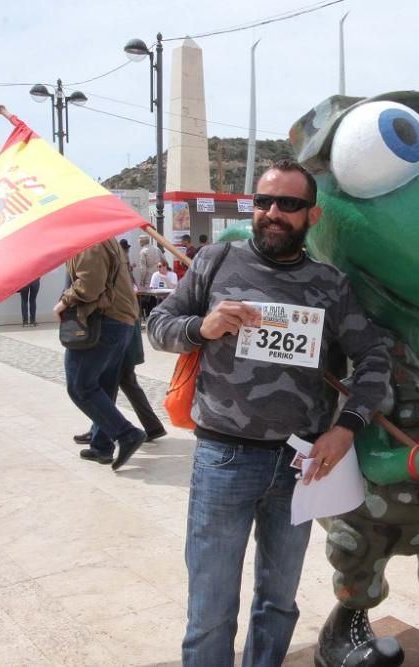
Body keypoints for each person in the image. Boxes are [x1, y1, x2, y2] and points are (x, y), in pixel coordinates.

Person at [146, 159, 392, 667]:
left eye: (289, 204)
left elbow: (374, 358)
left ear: (313, 215)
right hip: (222, 460)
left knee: (278, 604)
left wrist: (348, 429)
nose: (273, 213)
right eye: (264, 202)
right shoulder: (215, 261)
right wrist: (203, 327)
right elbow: (159, 325)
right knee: (211, 609)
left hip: (299, 467)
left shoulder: (330, 284)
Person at [56, 238, 147, 469]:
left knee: (80, 386)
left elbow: (90, 284)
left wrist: (64, 302)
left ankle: (126, 434)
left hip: (104, 321)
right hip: (119, 320)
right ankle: (101, 445)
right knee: (104, 385)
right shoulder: (104, 238)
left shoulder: (90, 241)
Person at [73, 316, 167, 446]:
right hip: (125, 340)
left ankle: (99, 432)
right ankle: (153, 426)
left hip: (119, 341)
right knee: (128, 384)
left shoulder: (117, 297)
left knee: (106, 387)